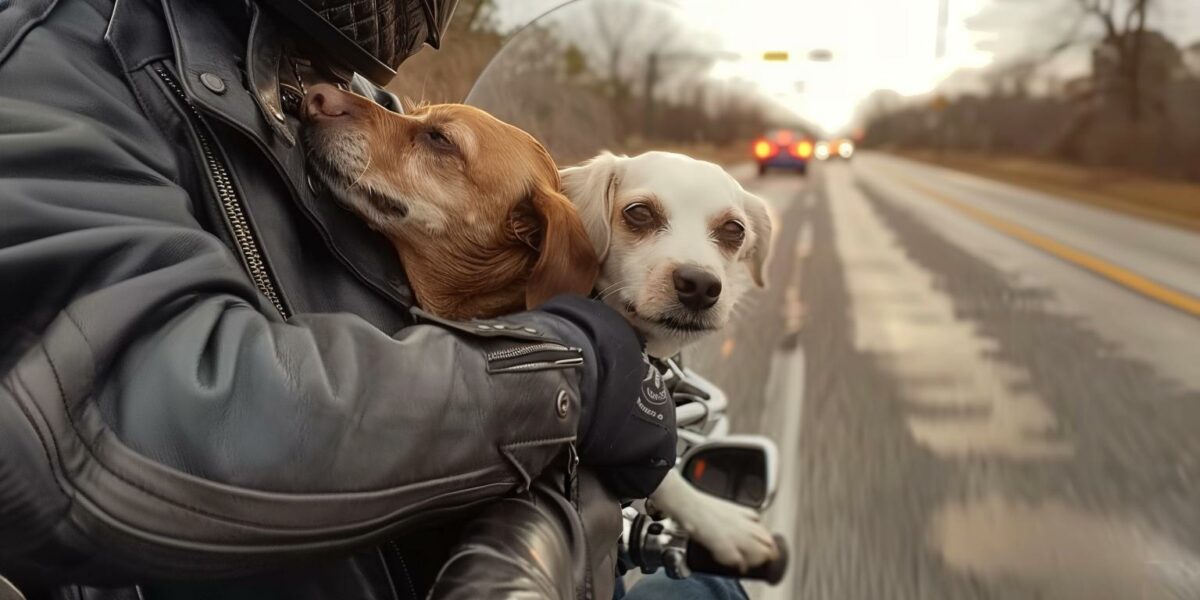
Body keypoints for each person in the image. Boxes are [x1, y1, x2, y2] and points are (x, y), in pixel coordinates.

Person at [0, 0, 676, 598]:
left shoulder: (310, 73)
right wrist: (565, 374)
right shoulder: (59, 60)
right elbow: (140, 416)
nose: (329, 102)